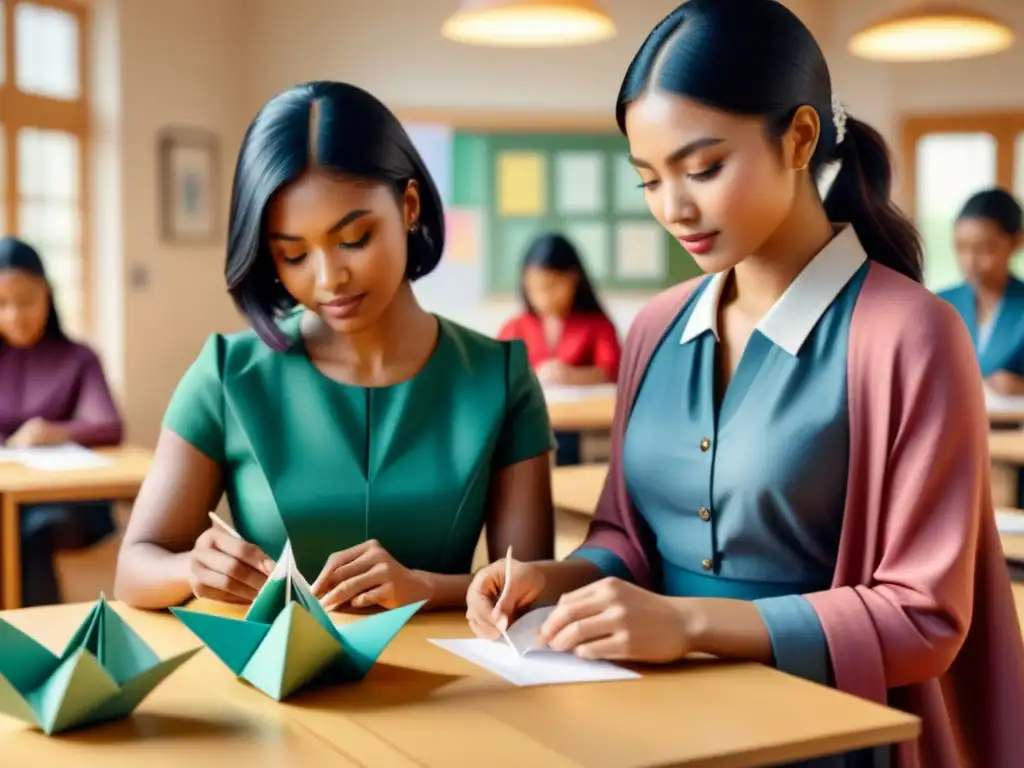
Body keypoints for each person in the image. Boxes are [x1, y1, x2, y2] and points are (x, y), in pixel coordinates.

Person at [465, 2, 1024, 766]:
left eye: (702, 169)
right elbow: (626, 536)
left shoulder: (910, 334)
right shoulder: (657, 325)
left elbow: (922, 616)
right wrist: (553, 578)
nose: (674, 209)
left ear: (798, 138)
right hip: (655, 724)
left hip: (835, 734)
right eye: (649, 181)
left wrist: (690, 624)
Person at [114, 81, 555, 612]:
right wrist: (190, 568)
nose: (329, 279)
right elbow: (133, 569)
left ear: (409, 206)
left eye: (354, 239)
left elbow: (531, 584)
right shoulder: (226, 375)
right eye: (294, 255)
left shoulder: (500, 376)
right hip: (275, 684)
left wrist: (426, 587)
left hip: (454, 685)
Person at [0, 237, 123, 606]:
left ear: (48, 295)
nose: (15, 315)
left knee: (28, 530)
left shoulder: (78, 358)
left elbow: (110, 426)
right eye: (2, 304)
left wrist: (53, 432)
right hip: (7, 493)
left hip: (67, 501)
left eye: (26, 301)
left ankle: (39, 647)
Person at [498, 234, 621, 465]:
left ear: (574, 279)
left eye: (552, 285)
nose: (542, 295)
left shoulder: (597, 324)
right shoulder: (515, 326)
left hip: (581, 424)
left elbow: (612, 371)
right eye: (534, 287)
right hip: (527, 426)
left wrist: (571, 376)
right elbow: (498, 375)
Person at [938, 188, 1024, 394]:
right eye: (961, 248)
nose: (970, 261)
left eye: (985, 249)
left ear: (1017, 242)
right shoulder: (939, 304)